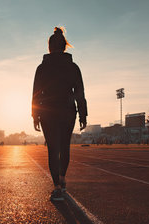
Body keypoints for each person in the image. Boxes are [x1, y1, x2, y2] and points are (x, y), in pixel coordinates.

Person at [32, 27, 87, 201]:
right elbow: (80, 92)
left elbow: (35, 93)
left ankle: (57, 187)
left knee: (53, 149)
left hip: (48, 112)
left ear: (49, 47)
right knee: (64, 147)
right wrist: (83, 115)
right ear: (64, 47)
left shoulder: (41, 68)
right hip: (67, 111)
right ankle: (62, 179)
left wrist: (35, 115)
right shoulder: (73, 67)